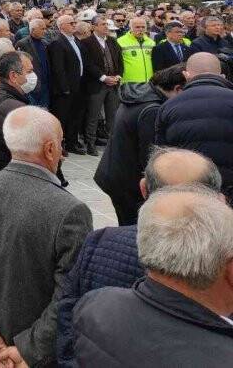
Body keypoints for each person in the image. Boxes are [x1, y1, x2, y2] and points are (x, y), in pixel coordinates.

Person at [0, 106, 92, 368]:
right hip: (38, 357)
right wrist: (28, 350)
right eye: (61, 144)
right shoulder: (71, 211)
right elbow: (69, 293)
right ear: (50, 149)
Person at [57, 147, 224, 366]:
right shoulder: (223, 265)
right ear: (218, 200)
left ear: (144, 189)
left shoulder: (100, 243)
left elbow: (66, 319)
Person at [94, 65, 186, 225]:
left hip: (115, 174)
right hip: (128, 183)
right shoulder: (152, 109)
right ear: (178, 89)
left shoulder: (141, 94)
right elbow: (150, 156)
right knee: (135, 230)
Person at [155, 51, 233, 199]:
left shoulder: (168, 106)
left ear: (186, 75)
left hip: (189, 188)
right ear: (222, 76)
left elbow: (162, 153)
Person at [79, 15, 122, 156]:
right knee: (93, 115)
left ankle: (112, 144)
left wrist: (118, 76)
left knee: (112, 115)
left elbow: (119, 61)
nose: (106, 27)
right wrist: (103, 78)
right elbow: (88, 64)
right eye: (102, 24)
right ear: (94, 27)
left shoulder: (113, 41)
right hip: (96, 84)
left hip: (113, 84)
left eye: (106, 24)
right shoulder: (86, 42)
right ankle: (90, 143)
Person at [48, 13, 86, 154]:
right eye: (71, 23)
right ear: (62, 26)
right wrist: (64, 88)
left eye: (74, 22)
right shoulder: (57, 42)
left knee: (75, 116)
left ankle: (72, 142)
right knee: (62, 117)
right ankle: (60, 144)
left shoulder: (75, 40)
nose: (74, 25)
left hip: (78, 85)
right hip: (65, 89)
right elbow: (58, 69)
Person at [117, 16, 154, 84]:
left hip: (149, 82)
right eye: (137, 27)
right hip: (129, 83)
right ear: (130, 28)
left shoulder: (151, 42)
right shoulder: (120, 41)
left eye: (143, 27)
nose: (140, 29)